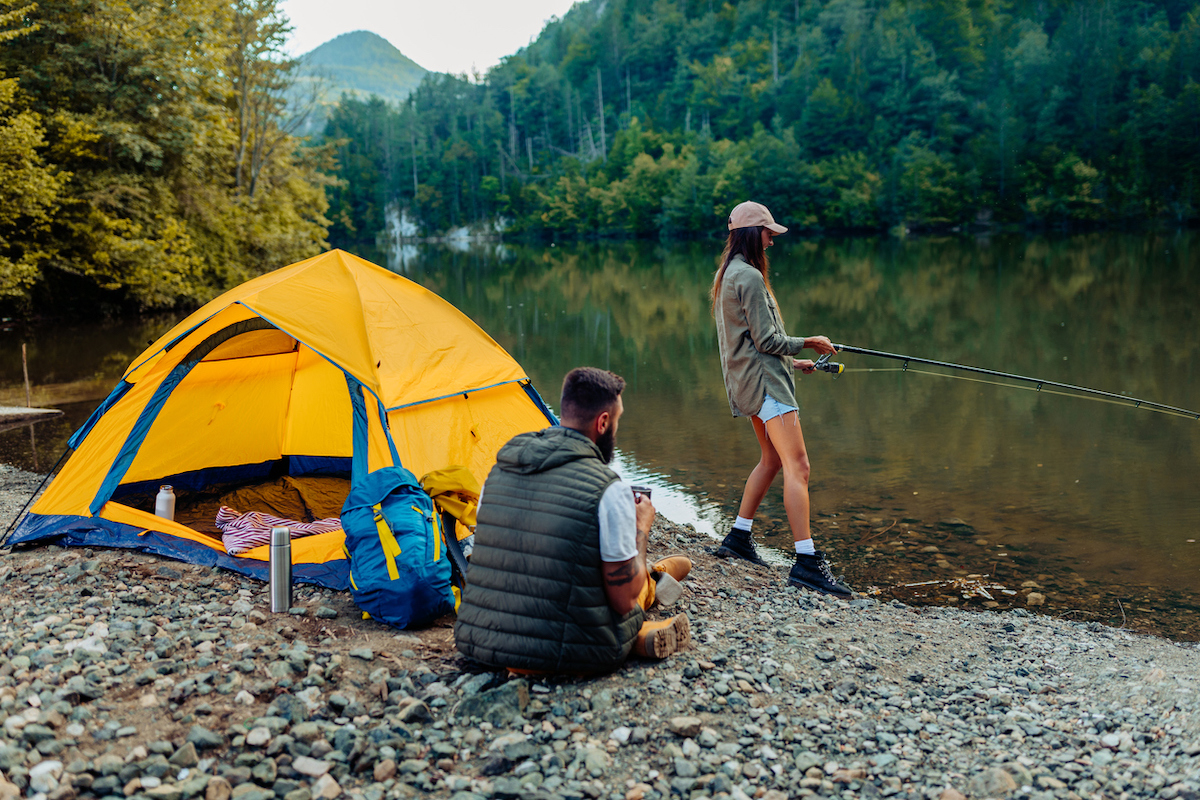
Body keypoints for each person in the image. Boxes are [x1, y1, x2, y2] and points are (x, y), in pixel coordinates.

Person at [454, 367, 693, 674]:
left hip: (481, 641)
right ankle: (652, 584)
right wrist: (640, 529)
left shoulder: (499, 469)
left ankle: (654, 581)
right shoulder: (608, 488)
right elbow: (623, 600)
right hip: (560, 653)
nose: (616, 431)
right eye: (617, 421)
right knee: (628, 594)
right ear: (603, 422)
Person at [711, 200, 852, 597]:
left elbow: (747, 345)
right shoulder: (750, 277)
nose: (772, 240)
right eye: (769, 232)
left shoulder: (729, 273)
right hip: (766, 388)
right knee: (799, 466)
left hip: (750, 384)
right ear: (753, 233)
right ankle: (806, 562)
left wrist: (795, 363)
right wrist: (810, 341)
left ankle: (738, 538)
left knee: (772, 460)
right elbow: (768, 340)